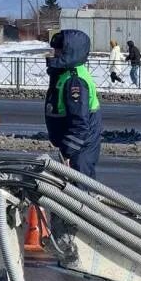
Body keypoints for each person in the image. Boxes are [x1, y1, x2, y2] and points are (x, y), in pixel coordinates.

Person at [44, 29, 102, 177]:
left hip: (80, 147)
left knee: (79, 191)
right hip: (76, 144)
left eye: (58, 49)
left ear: (70, 51)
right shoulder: (67, 73)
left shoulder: (74, 80)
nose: (54, 53)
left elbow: (79, 123)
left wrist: (68, 152)